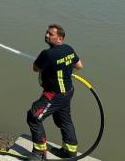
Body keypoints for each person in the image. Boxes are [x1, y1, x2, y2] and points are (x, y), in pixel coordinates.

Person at [27, 24, 83, 160]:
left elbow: (35, 68)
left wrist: (50, 67)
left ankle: (39, 152)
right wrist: (63, 69)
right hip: (68, 91)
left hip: (54, 94)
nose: (46, 35)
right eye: (46, 32)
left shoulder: (47, 54)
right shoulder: (68, 49)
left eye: (50, 34)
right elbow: (79, 66)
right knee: (65, 120)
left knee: (34, 116)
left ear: (59, 38)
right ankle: (69, 151)